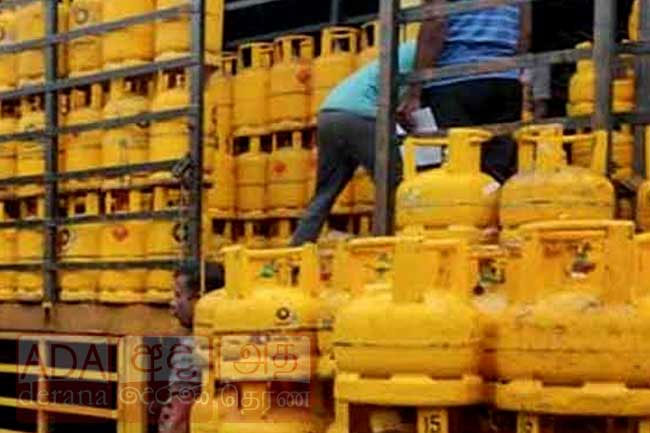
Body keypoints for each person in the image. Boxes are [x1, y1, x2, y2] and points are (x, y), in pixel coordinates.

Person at [290, 42, 418, 247]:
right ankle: (390, 244)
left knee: (326, 191)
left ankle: (297, 248)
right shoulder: (428, 51)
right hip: (361, 114)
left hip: (329, 112)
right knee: (393, 181)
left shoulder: (401, 51)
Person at [398, 0, 531, 183]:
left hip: (454, 81)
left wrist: (414, 91)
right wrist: (509, 69)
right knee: (496, 170)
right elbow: (524, 33)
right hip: (505, 82)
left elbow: (436, 23)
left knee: (455, 166)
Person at [158, 263, 225, 433]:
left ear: (200, 299)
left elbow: (179, 414)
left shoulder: (189, 349)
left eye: (178, 295)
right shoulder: (231, 340)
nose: (172, 303)